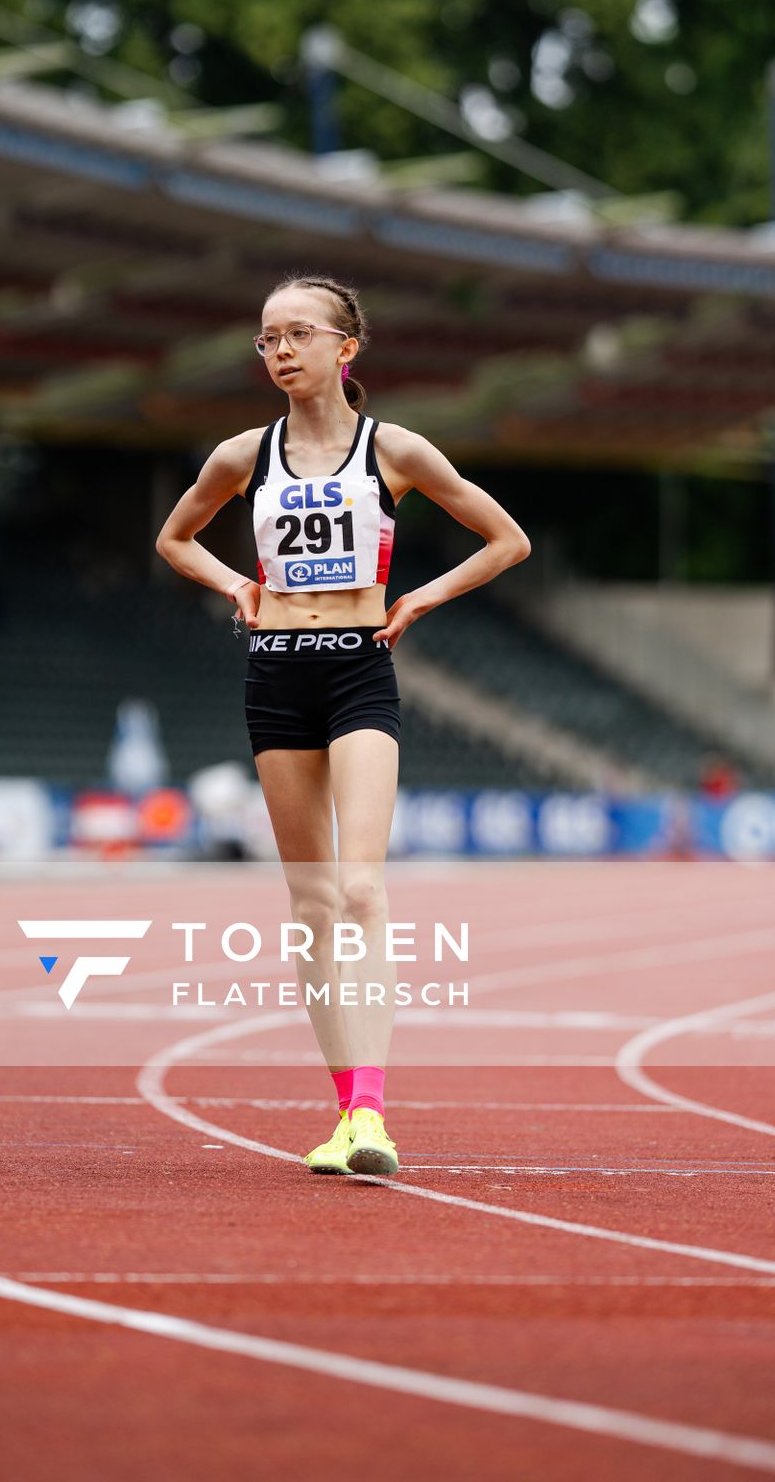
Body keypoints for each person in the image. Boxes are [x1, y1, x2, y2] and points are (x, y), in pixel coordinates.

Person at [155, 272, 531, 1176]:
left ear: (344, 347)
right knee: (314, 902)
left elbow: (507, 539)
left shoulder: (393, 451)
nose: (280, 350)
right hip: (275, 677)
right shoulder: (243, 457)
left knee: (362, 890)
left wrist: (420, 601)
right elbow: (175, 538)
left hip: (360, 670)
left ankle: (373, 1115)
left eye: (297, 334)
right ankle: (341, 1113)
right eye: (266, 339)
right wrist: (237, 584)